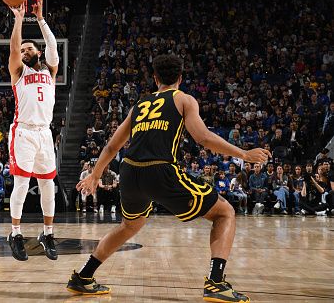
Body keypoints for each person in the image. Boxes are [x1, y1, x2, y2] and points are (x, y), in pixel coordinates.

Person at [68, 54, 270, 302]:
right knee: (224, 212)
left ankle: (84, 277)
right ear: (180, 78)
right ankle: (216, 283)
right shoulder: (183, 99)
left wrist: (94, 175)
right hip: (159, 170)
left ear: (155, 78)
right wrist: (243, 154)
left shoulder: (139, 105)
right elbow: (203, 138)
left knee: (130, 225)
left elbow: (112, 146)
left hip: (129, 172)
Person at [7, 0, 59, 261]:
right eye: (23, 49)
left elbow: (52, 45)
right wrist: (18, 20)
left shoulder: (50, 71)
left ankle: (47, 233)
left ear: (38, 52)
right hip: (23, 132)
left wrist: (39, 19)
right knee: (22, 183)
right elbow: (14, 48)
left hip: (45, 133)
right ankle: (15, 233)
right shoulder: (18, 71)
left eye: (30, 48)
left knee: (48, 185)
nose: (25, 51)